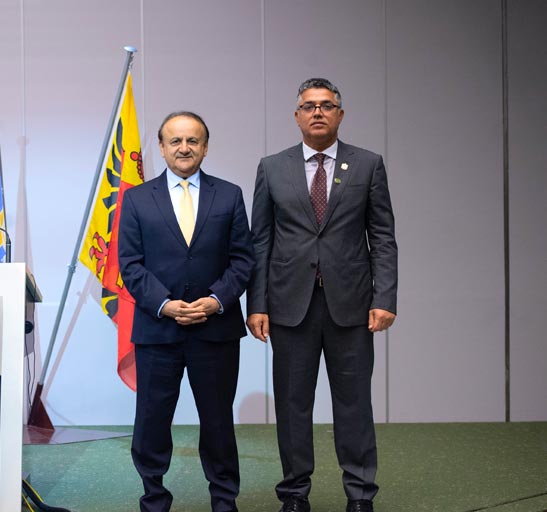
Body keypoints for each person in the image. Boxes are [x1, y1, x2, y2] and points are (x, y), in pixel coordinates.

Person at [246, 78, 398, 512]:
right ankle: (295, 494)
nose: (317, 112)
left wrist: (384, 297)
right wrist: (256, 304)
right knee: (293, 406)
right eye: (309, 106)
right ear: (296, 116)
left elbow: (382, 237)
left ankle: (360, 495)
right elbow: (261, 241)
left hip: (351, 306)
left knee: (354, 404)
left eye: (326, 105)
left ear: (340, 115)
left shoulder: (368, 165)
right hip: (289, 307)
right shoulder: (272, 167)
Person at [118, 111, 255, 512]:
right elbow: (130, 264)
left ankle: (224, 501)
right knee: (151, 423)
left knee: (218, 422)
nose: (184, 148)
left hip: (215, 331)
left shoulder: (229, 195)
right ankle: (154, 499)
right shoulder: (137, 198)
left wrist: (216, 300)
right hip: (158, 331)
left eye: (192, 140)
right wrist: (164, 304)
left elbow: (243, 260)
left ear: (205, 147)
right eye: (175, 141)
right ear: (161, 148)